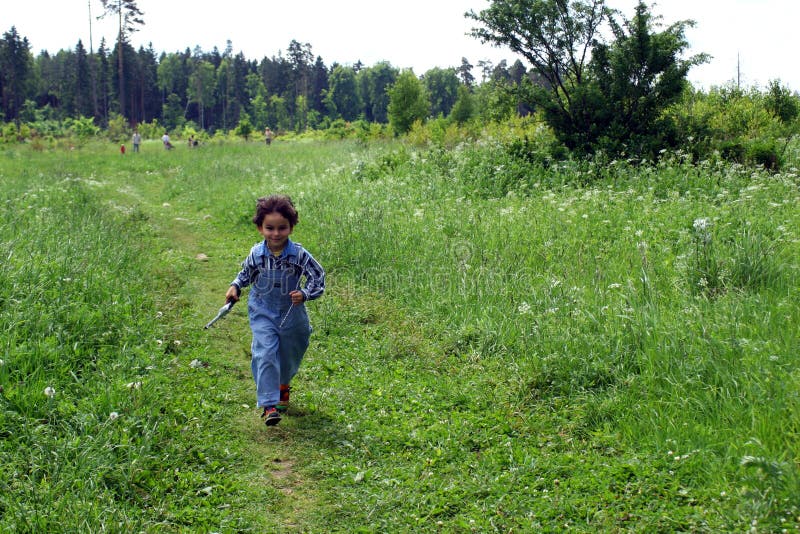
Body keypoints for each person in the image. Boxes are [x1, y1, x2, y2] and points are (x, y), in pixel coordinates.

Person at [224, 195, 325, 426]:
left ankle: (283, 385)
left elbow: (317, 276)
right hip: (263, 310)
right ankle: (269, 405)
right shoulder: (257, 254)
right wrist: (235, 286)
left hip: (291, 313)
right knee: (266, 352)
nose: (276, 234)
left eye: (282, 228)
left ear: (291, 227)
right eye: (270, 228)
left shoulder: (299, 255)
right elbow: (245, 274)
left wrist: (306, 294)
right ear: (260, 228)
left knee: (291, 351)